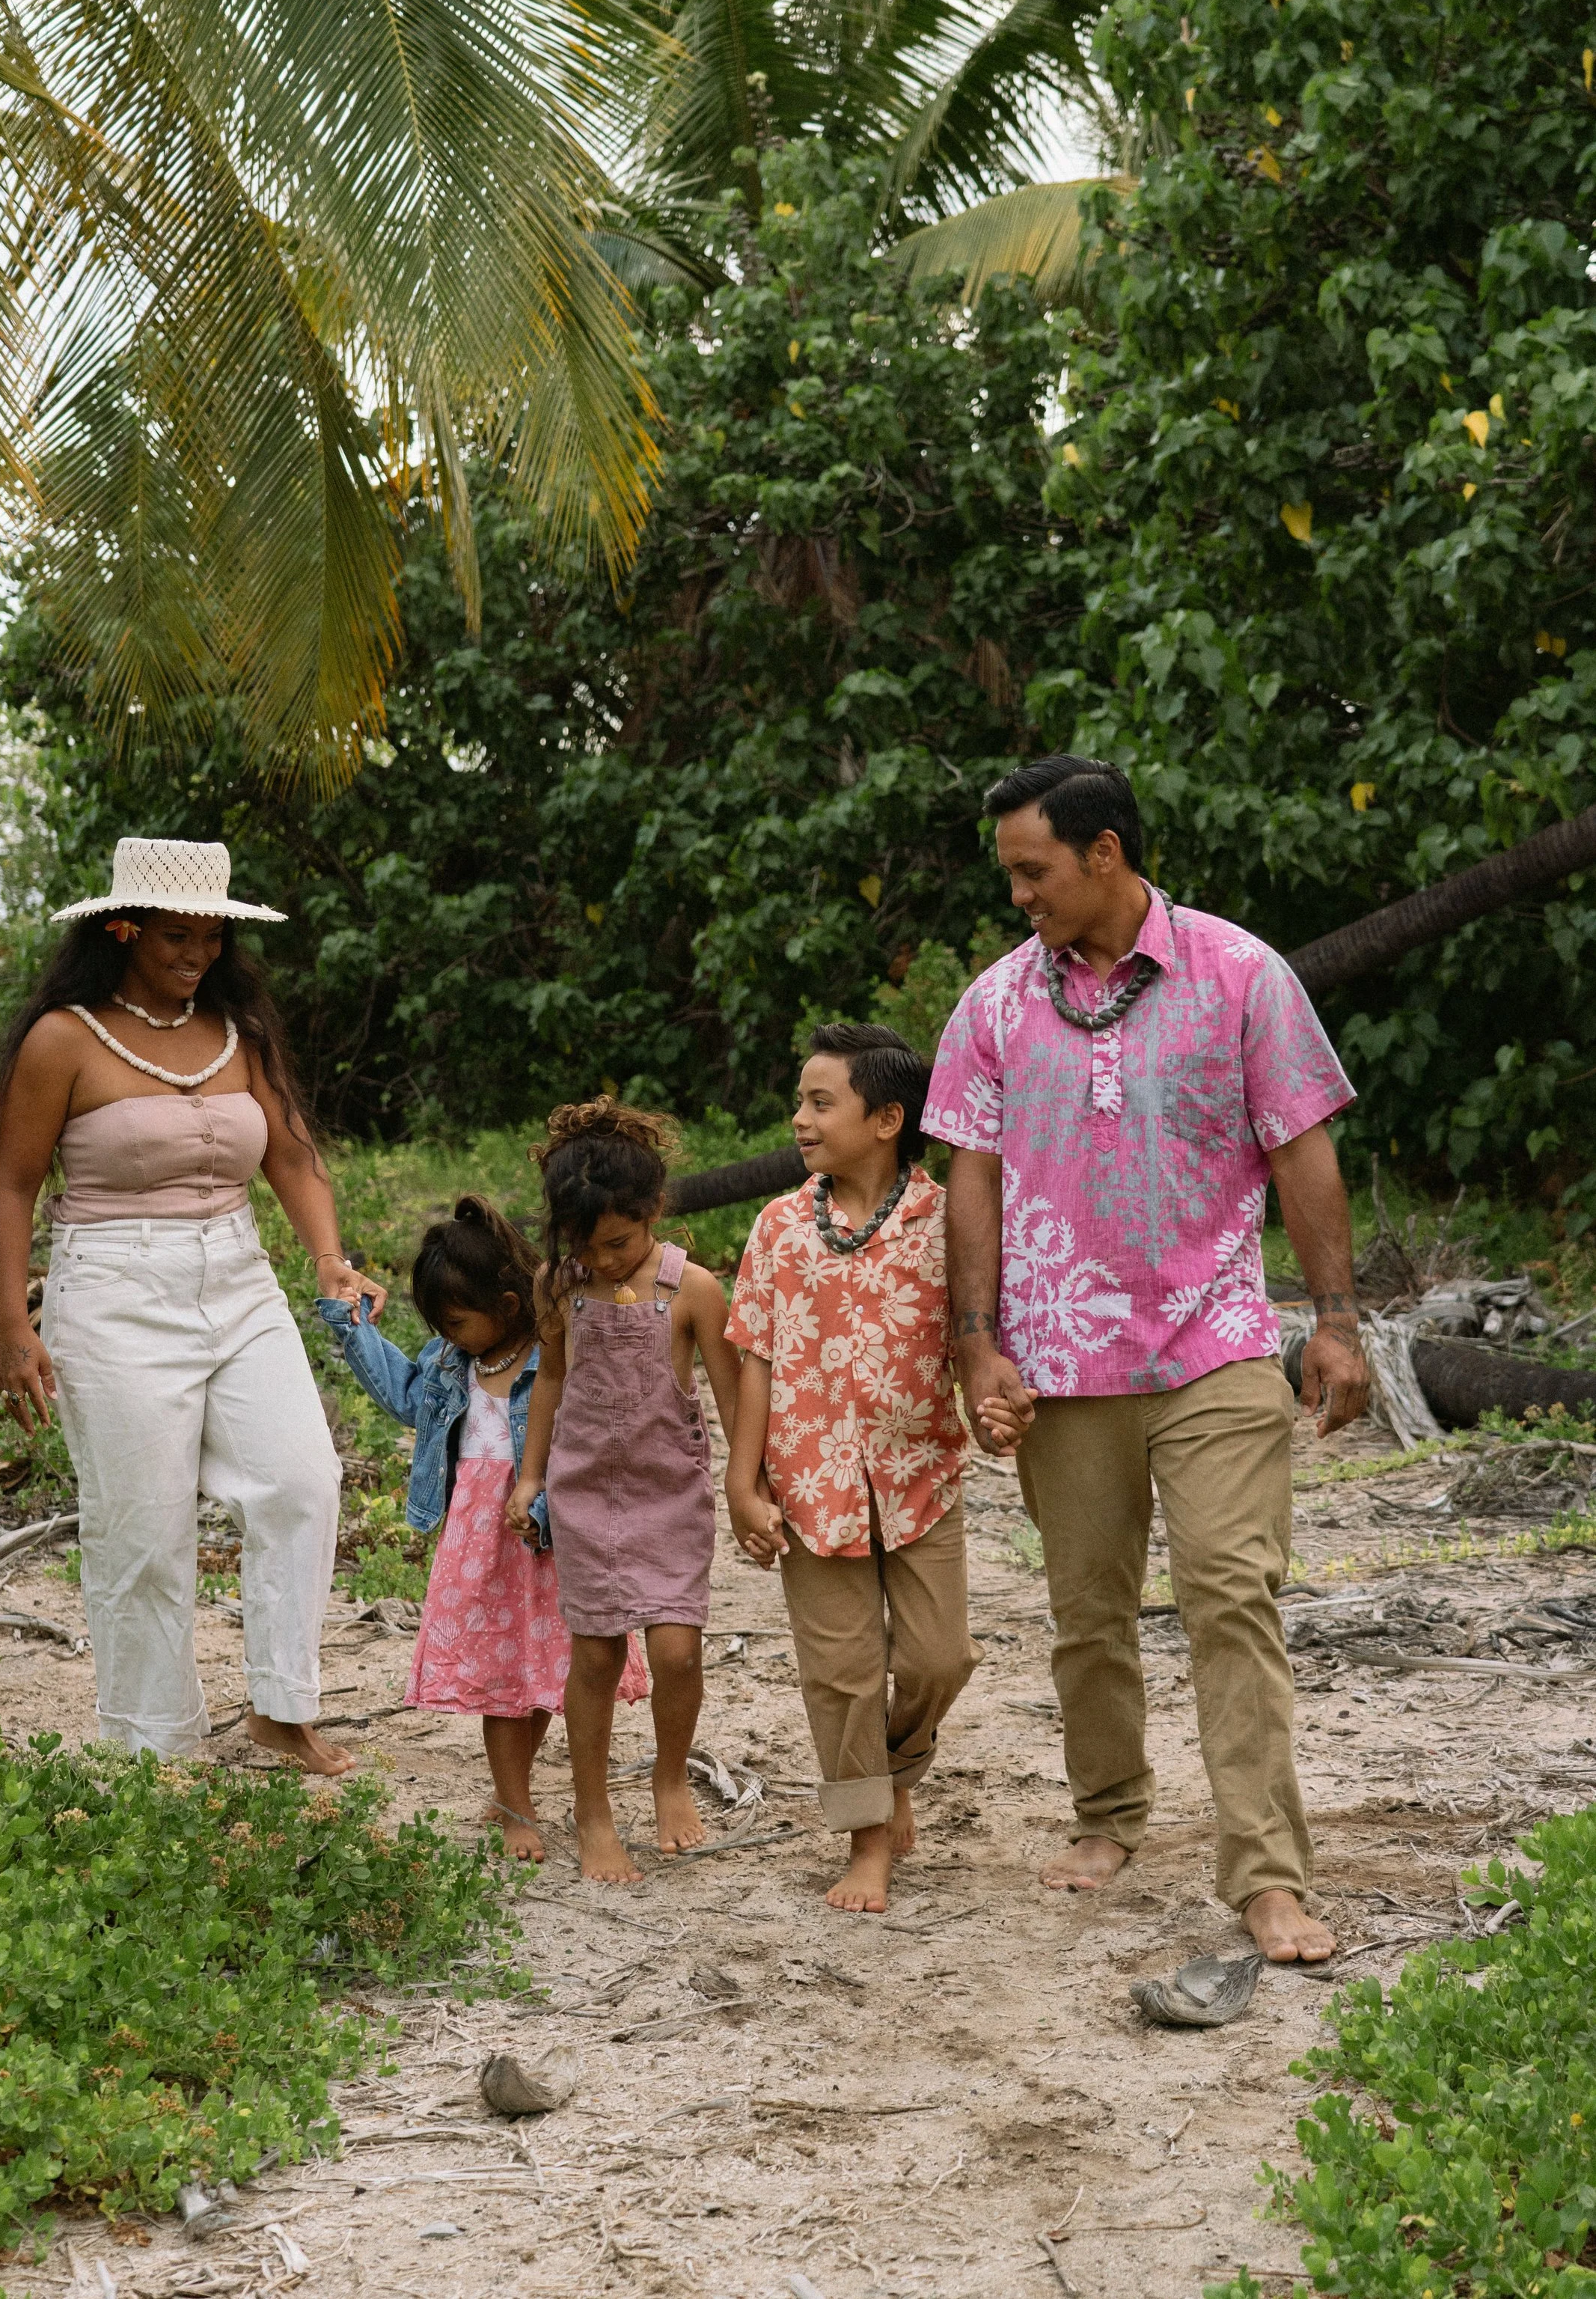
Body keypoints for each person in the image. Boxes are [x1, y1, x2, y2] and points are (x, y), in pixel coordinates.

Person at [924, 757, 1369, 1964]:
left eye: (1034, 869)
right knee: (1088, 1612)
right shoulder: (995, 1005)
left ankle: (1268, 1875)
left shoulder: (1240, 973)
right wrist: (976, 1343)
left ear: (1105, 852)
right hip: (1060, 1356)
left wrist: (1333, 1316)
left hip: (1216, 1338)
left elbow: (1302, 1146)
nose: (1019, 894)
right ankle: (1109, 1813)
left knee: (1232, 1590)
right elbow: (970, 1173)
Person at [0, 837, 376, 1777]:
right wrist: (13, 1326)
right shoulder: (64, 1038)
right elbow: (10, 1183)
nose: (193, 954)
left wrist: (329, 1257)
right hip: (115, 1292)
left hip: (240, 1283)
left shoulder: (241, 1032)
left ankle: (282, 1709)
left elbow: (291, 1156)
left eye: (209, 936)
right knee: (143, 1528)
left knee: (300, 1481)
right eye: (172, 936)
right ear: (122, 928)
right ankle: (153, 1741)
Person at [725, 1023, 977, 1915]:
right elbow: (755, 1352)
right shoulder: (779, 1226)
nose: (799, 1118)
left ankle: (898, 1767)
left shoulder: (949, 1219)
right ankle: (867, 1834)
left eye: (819, 1101)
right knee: (841, 1674)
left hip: (920, 1472)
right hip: (809, 1483)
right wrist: (743, 1479)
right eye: (800, 1099)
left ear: (886, 1118)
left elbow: (975, 1341)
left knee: (941, 1657)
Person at [317, 1193, 648, 1860]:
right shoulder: (451, 1364)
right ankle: (513, 1805)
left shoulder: (555, 1355)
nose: (444, 1335)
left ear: (505, 1305)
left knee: (547, 1675)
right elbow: (406, 1398)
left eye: (456, 1322)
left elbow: (594, 1436)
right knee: (502, 1680)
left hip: (553, 1539)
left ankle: (514, 1791)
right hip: (481, 1543)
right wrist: (354, 1328)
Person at [504, 1100, 743, 1883]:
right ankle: (592, 1811)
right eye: (585, 1245)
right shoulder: (559, 1287)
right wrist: (531, 1476)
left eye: (618, 1243)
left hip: (669, 1494)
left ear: (654, 1213)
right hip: (583, 1494)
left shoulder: (693, 1290)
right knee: (598, 1654)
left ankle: (670, 1776)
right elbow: (550, 1384)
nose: (603, 1261)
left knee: (675, 1651)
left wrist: (753, 1484)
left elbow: (736, 1401)